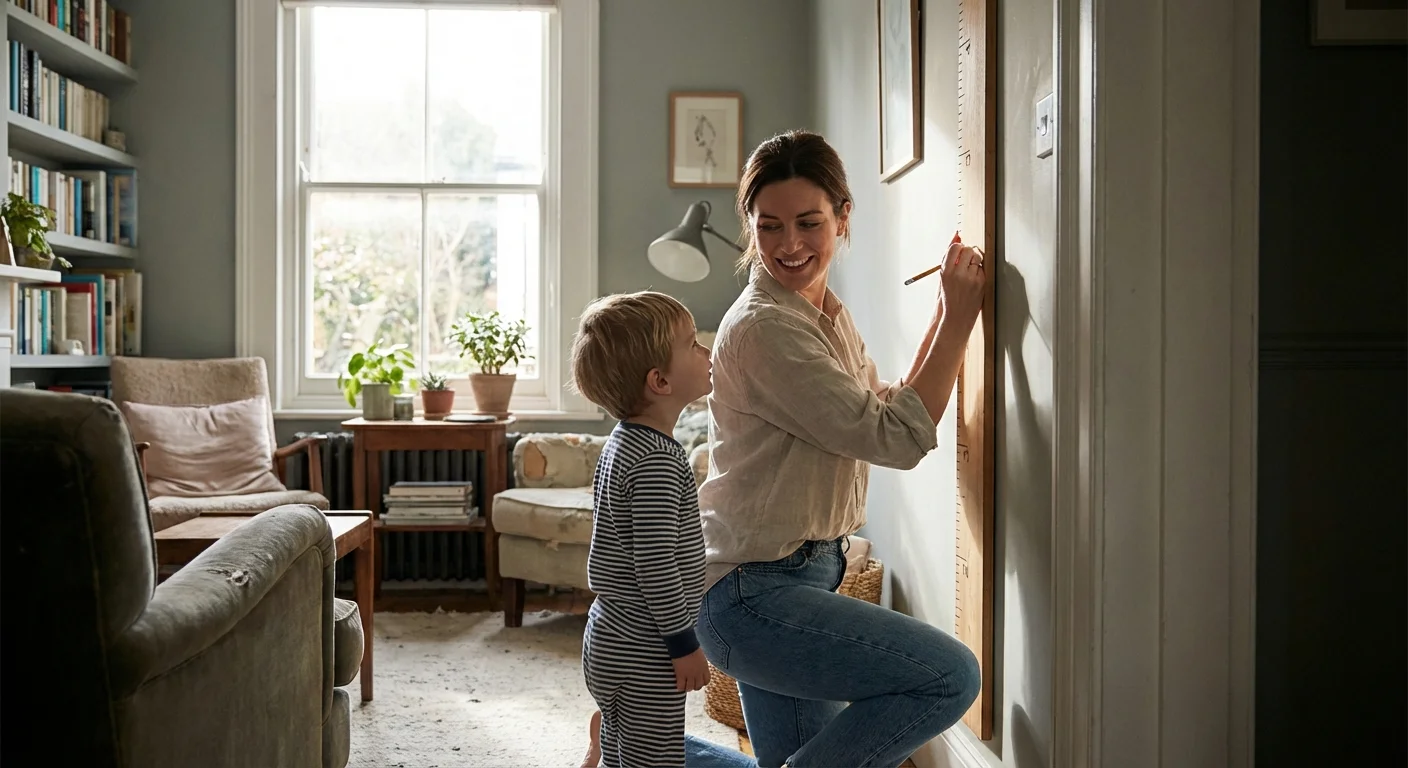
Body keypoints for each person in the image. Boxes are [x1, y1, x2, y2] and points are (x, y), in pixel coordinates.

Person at [695, 129, 987, 768]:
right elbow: (896, 439)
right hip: (754, 595)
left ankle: (635, 751)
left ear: (843, 218)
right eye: (768, 226)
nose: (789, 245)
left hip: (794, 579)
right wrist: (961, 317)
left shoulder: (822, 312)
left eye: (808, 222)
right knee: (950, 677)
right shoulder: (767, 327)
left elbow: (883, 407)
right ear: (750, 226)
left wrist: (944, 311)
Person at [569, 291, 755, 768]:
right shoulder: (657, 461)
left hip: (611, 634)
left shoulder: (624, 443)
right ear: (659, 381)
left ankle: (607, 746)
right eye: (692, 344)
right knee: (656, 759)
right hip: (644, 648)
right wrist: (683, 645)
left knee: (637, 746)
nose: (706, 351)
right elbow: (654, 566)